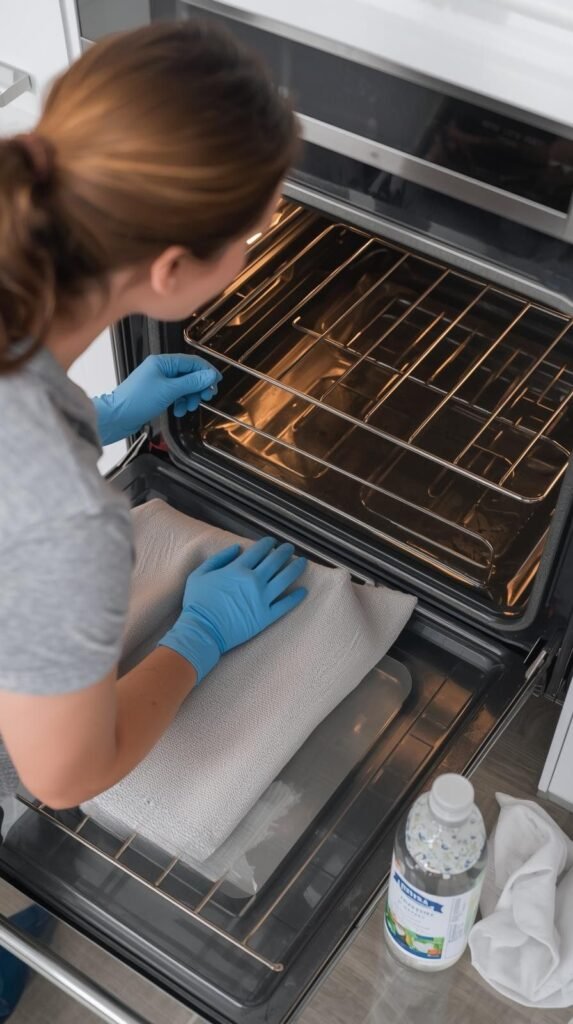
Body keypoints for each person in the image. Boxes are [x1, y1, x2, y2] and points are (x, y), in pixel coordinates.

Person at [0, 21, 307, 1016]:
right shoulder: (66, 525)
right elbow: (62, 770)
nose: (258, 245)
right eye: (254, 236)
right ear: (172, 272)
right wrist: (199, 636)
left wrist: (87, 417)